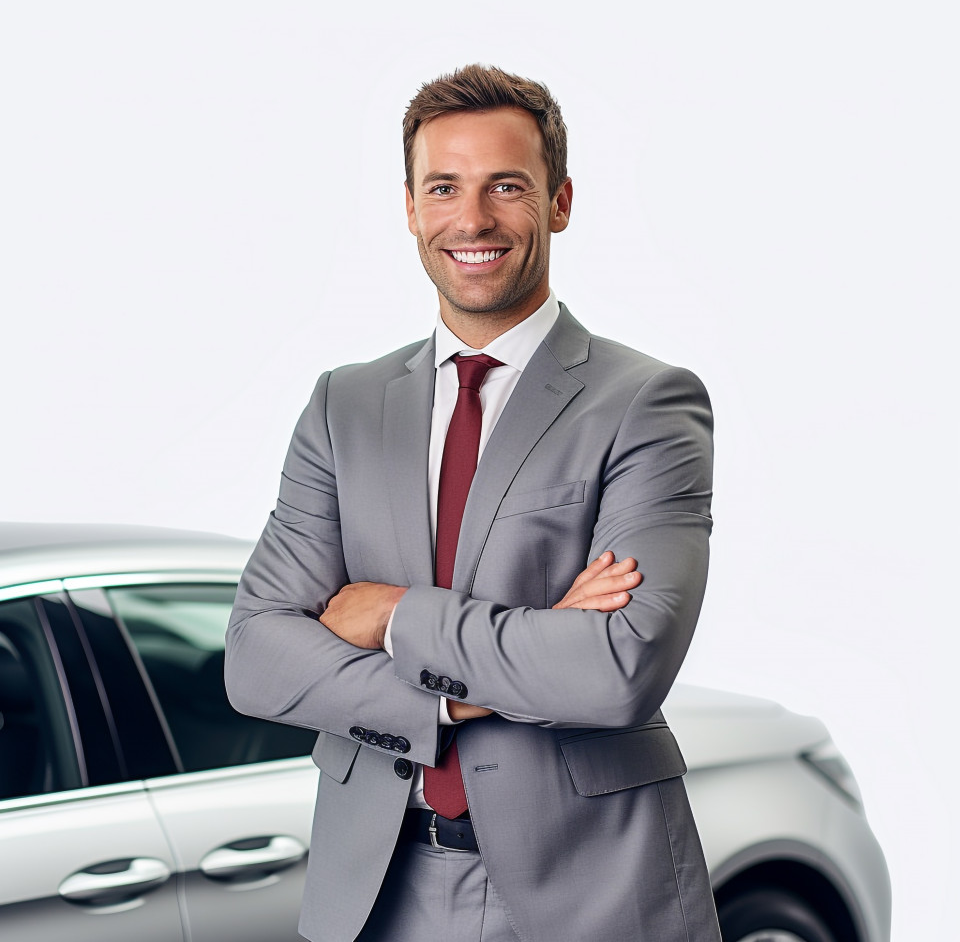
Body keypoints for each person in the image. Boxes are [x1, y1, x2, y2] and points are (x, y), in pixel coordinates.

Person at [225, 64, 721, 942]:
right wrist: (463, 693)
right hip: (379, 888)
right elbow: (259, 656)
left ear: (560, 202)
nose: (473, 219)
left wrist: (394, 617)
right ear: (411, 208)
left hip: (592, 888)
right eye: (444, 187)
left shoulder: (647, 403)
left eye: (507, 187)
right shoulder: (345, 405)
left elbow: (616, 670)